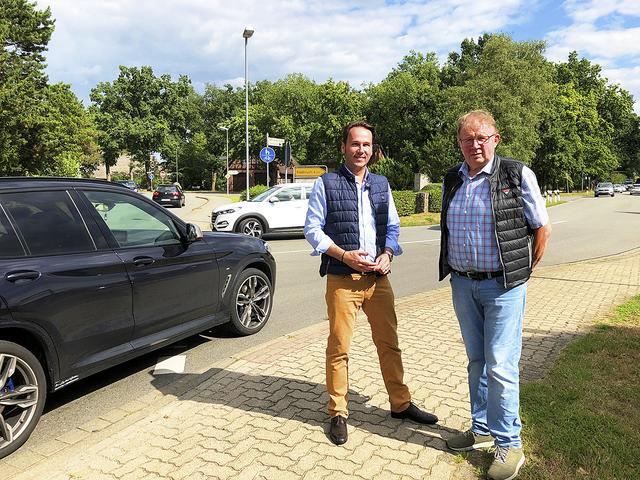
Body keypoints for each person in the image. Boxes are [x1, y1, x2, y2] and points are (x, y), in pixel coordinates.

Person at [305, 120, 438, 446]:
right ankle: (338, 412)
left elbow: (392, 226)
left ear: (372, 149)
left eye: (366, 145)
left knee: (389, 344)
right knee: (339, 348)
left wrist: (389, 253)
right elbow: (312, 229)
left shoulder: (381, 184)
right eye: (354, 144)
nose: (360, 150)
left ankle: (401, 404)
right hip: (342, 278)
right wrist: (343, 254)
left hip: (378, 280)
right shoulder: (326, 183)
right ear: (344, 147)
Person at [439, 110, 551, 480]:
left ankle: (510, 443)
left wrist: (521, 273)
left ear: (496, 139)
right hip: (463, 283)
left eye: (481, 137)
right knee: (477, 361)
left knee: (501, 364)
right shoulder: (452, 179)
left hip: (504, 286)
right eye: (467, 139)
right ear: (459, 143)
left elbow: (541, 228)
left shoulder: (517, 174)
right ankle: (482, 428)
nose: (474, 144)